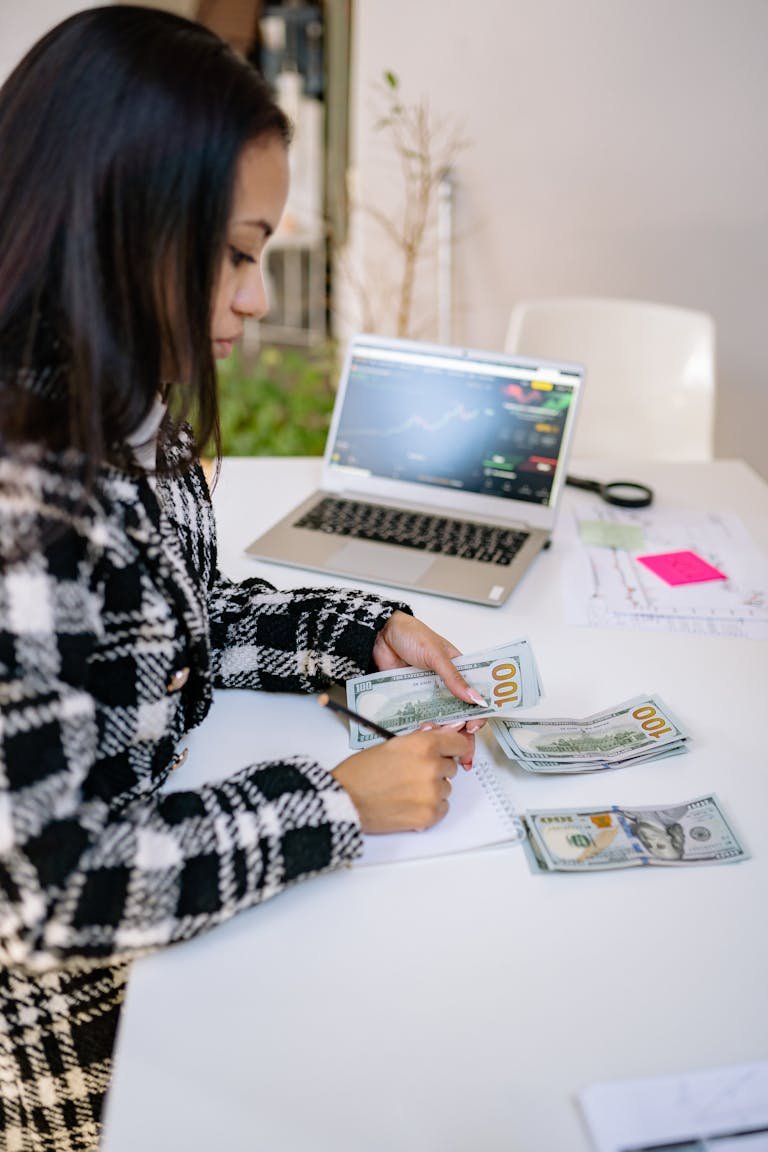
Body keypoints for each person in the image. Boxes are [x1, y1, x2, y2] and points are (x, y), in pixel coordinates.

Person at [0, 8, 483, 1149]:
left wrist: (350, 632)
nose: (258, 299)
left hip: (180, 942)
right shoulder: (27, 508)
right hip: (90, 1051)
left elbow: (168, 628)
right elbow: (47, 897)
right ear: (115, 221)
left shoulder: (128, 412)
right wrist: (336, 803)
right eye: (235, 253)